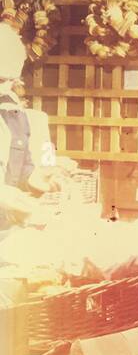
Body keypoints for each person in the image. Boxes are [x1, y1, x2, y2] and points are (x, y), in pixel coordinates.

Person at [0, 26, 67, 231]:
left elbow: (23, 170)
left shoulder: (14, 115)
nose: (4, 88)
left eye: (9, 81)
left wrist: (41, 180)